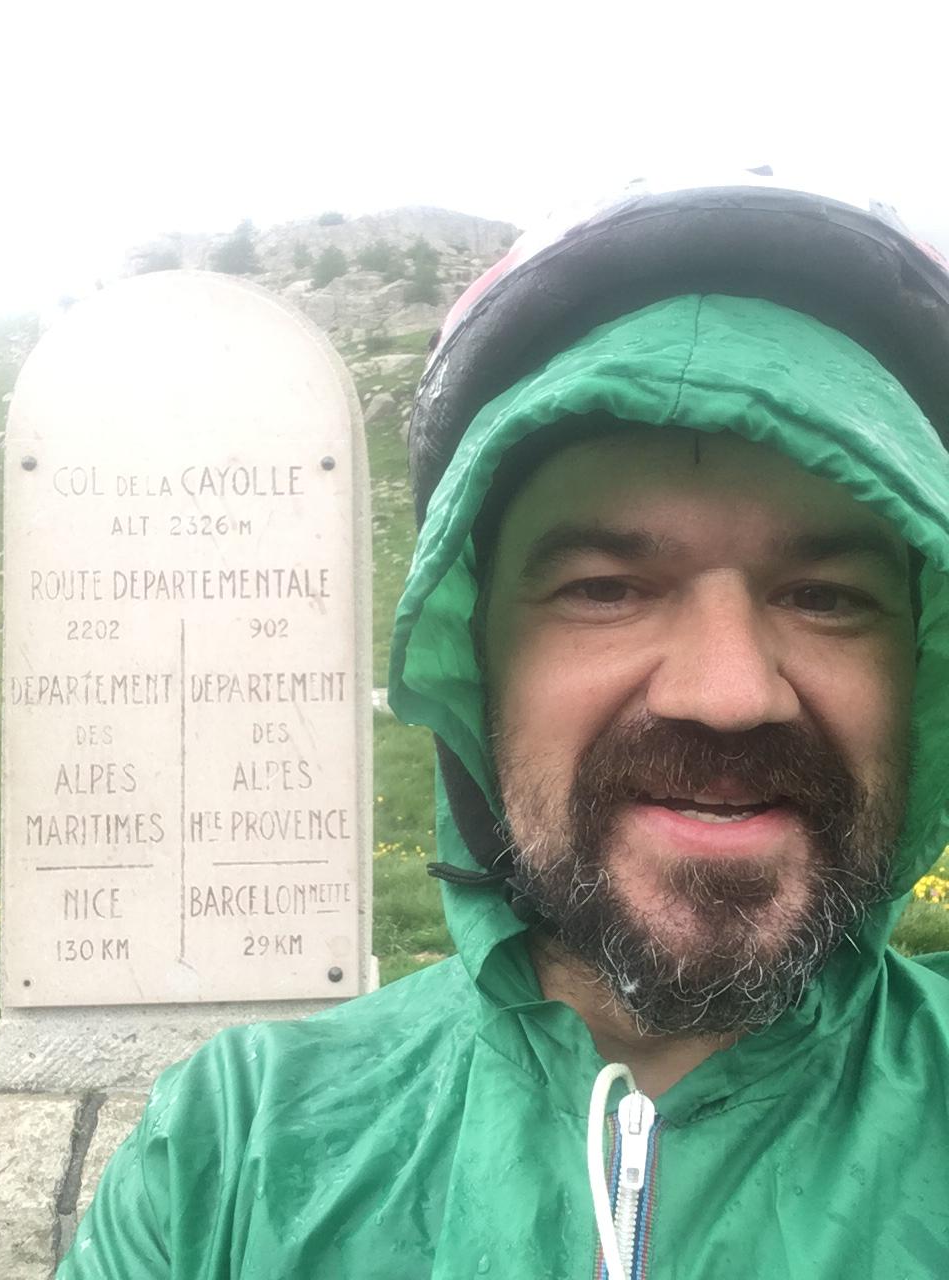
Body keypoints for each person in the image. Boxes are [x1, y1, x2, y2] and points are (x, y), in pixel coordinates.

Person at [60, 174, 949, 1278]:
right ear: (474, 662)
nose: (728, 692)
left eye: (825, 596)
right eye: (605, 588)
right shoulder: (229, 1158)